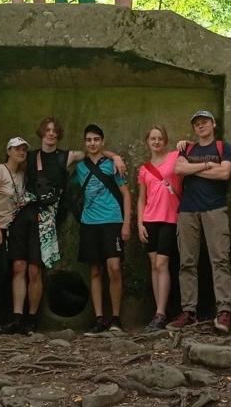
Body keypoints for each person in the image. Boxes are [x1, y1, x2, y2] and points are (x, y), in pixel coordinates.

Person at [0, 116, 125, 334]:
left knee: (35, 269)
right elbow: (11, 165)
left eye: (54, 131)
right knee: (18, 266)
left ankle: (31, 319)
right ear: (41, 133)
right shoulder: (30, 156)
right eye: (47, 130)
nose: (51, 134)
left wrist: (115, 156)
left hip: (47, 218)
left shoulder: (68, 156)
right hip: (24, 214)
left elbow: (92, 152)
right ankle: (17, 317)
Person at [167, 110, 231, 333]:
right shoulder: (186, 149)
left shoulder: (223, 148)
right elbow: (178, 169)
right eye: (197, 123)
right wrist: (207, 166)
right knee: (187, 263)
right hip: (187, 211)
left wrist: (192, 169)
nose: (201, 125)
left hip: (215, 209)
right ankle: (189, 312)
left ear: (213, 124)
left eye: (205, 122)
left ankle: (224, 311)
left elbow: (224, 174)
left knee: (220, 260)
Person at [75, 124, 132, 335]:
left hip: (112, 221)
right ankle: (99, 319)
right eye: (89, 140)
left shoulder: (112, 165)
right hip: (89, 223)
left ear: (102, 141)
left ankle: (115, 318)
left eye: (96, 139)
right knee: (95, 270)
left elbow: (126, 194)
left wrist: (126, 223)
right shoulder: (80, 167)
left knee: (114, 267)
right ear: (84, 142)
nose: (92, 143)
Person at [137, 125, 182, 330]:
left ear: (165, 141)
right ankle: (158, 311)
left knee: (162, 263)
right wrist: (139, 223)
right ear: (147, 142)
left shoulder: (174, 157)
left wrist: (186, 143)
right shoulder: (144, 169)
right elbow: (141, 198)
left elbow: (192, 148)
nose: (156, 142)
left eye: (160, 138)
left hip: (170, 218)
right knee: (154, 265)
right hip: (150, 219)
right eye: (153, 138)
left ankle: (162, 312)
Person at [0, 136, 29, 327]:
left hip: (12, 229)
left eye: (24, 149)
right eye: (17, 149)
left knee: (11, 271)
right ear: (9, 151)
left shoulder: (22, 175)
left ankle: (1, 316)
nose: (21, 152)